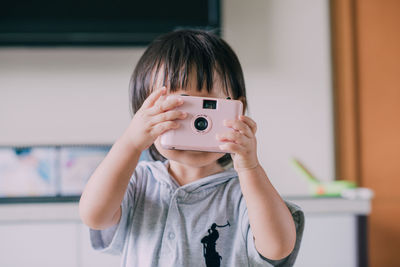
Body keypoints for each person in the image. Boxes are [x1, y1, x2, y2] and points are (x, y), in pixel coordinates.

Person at [79, 29, 304, 267]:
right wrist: (131, 142)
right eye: (179, 106)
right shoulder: (137, 183)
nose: (197, 124)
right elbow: (94, 216)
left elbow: (278, 248)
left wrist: (250, 167)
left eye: (208, 107)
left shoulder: (246, 193)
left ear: (238, 110)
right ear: (143, 114)